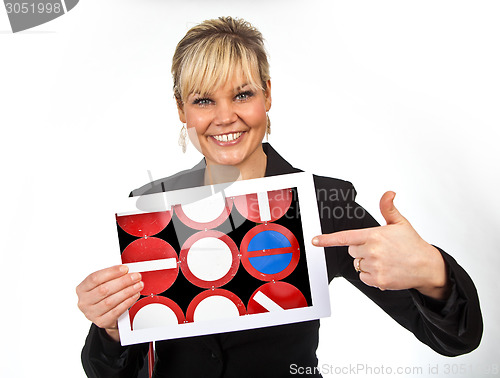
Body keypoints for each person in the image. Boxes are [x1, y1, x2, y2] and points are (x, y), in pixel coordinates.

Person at [76, 16, 483, 378]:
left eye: (242, 94)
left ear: (267, 96)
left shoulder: (321, 203)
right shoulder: (151, 206)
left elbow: (453, 341)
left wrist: (434, 272)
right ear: (182, 109)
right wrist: (111, 328)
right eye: (203, 100)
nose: (224, 117)